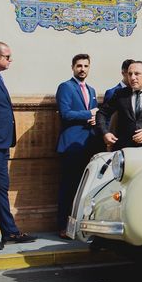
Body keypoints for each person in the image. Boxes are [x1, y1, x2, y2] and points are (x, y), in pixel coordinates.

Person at [0, 41, 37, 249]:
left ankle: (9, 232)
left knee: (0, 189)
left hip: (1, 145)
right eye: (8, 57)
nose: (11, 60)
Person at [54, 54, 99, 239]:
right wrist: (88, 113)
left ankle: (82, 226)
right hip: (71, 145)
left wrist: (95, 117)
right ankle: (63, 226)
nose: (82, 69)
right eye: (79, 66)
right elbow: (65, 114)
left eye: (86, 66)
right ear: (73, 67)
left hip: (89, 144)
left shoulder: (92, 89)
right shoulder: (65, 87)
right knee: (69, 187)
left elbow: (94, 113)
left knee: (86, 190)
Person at [96, 61, 142, 151]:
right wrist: (105, 133)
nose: (132, 77)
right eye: (130, 74)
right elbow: (101, 113)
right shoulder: (120, 94)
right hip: (124, 149)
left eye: (137, 74)